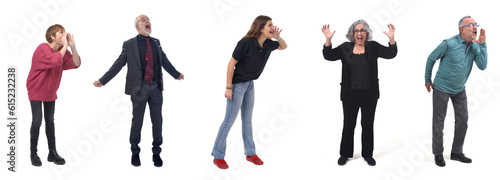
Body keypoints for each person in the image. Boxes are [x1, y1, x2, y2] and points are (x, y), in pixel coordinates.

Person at [93, 15, 184, 167]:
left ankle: (156, 152)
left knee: (157, 121)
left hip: (156, 88)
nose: (147, 21)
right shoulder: (129, 44)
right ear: (137, 26)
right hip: (139, 88)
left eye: (148, 20)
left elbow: (164, 60)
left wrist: (176, 74)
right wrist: (103, 80)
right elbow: (118, 64)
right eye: (143, 20)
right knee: (137, 121)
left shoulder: (156, 42)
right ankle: (135, 152)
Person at [211, 15, 287, 169]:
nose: (272, 27)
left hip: (250, 85)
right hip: (237, 85)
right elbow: (231, 64)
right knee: (228, 121)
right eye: (269, 25)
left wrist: (278, 37)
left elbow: (283, 46)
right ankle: (218, 156)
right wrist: (228, 87)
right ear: (260, 28)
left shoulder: (267, 44)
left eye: (272, 25)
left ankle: (250, 153)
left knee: (247, 120)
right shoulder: (246, 42)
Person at [321, 20, 397, 166]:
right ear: (352, 34)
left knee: (367, 124)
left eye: (362, 30)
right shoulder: (345, 48)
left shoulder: (372, 47)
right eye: (357, 31)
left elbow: (391, 53)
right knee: (349, 124)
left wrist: (391, 39)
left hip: (370, 94)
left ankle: (367, 154)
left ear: (366, 33)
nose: (360, 33)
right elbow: (328, 55)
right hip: (350, 94)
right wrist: (328, 40)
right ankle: (345, 154)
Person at [425, 16, 487, 167]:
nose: (475, 27)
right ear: (461, 29)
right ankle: (438, 153)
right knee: (438, 122)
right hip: (441, 88)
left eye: (476, 24)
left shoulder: (475, 46)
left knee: (463, 120)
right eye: (471, 25)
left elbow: (483, 66)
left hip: (459, 89)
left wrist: (483, 44)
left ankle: (456, 153)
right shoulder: (449, 43)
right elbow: (431, 58)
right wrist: (427, 80)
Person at [27, 24, 81, 166]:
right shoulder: (42, 48)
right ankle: (33, 153)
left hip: (50, 91)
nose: (64, 34)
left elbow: (76, 63)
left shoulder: (63, 51)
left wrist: (73, 47)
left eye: (64, 32)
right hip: (36, 89)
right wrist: (65, 46)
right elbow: (54, 60)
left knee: (50, 120)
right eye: (60, 32)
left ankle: (52, 152)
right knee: (37, 120)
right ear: (52, 37)